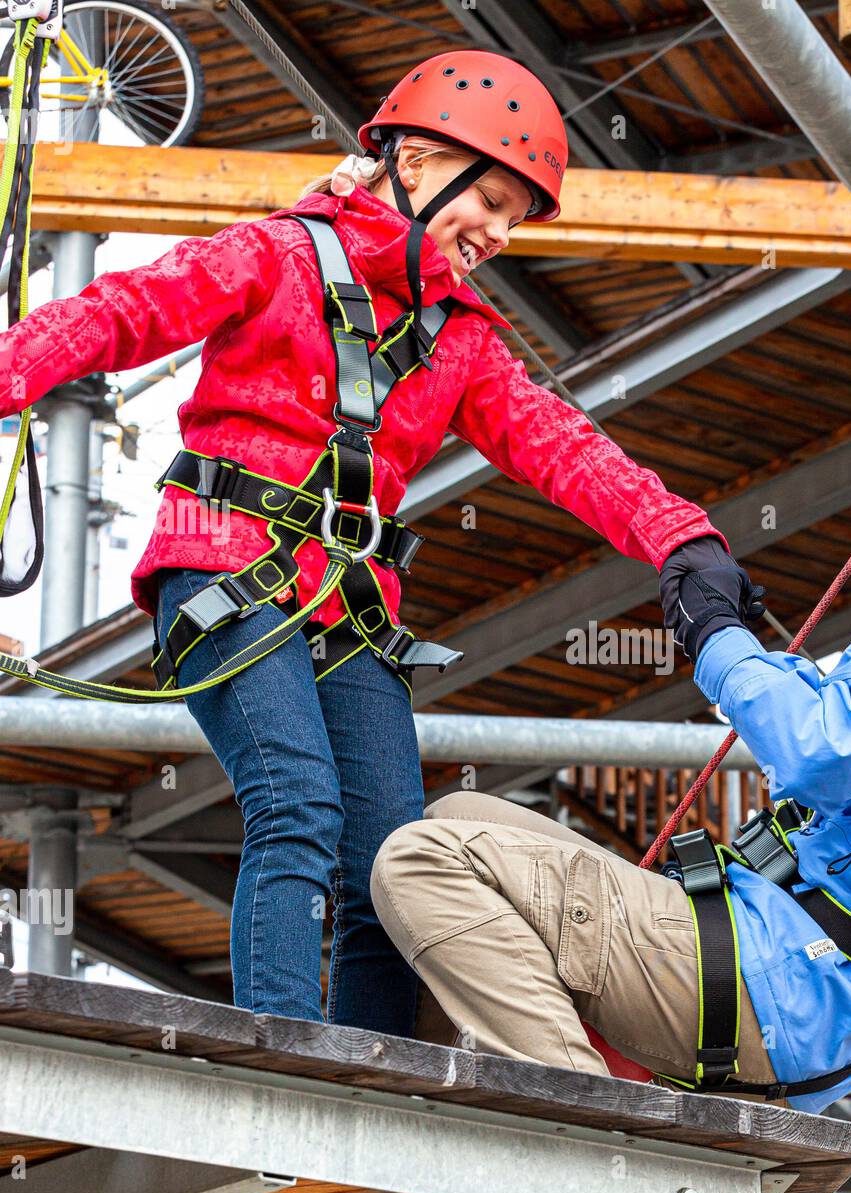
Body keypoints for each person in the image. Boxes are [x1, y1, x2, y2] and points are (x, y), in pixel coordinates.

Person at [0, 50, 754, 1037]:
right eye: (487, 198)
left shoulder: (464, 342)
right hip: (224, 571)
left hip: (349, 612)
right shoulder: (272, 255)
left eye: (517, 217)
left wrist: (680, 538)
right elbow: (112, 317)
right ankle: (280, 1061)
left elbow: (563, 449)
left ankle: (375, 1077)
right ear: (415, 161)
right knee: (299, 808)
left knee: (397, 862)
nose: (497, 232)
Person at [368, 322, 851, 1110]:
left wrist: (714, 634)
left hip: (763, 976)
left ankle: (578, 1128)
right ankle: (512, 1093)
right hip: (816, 1011)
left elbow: (820, 745)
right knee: (462, 811)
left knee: (421, 860)